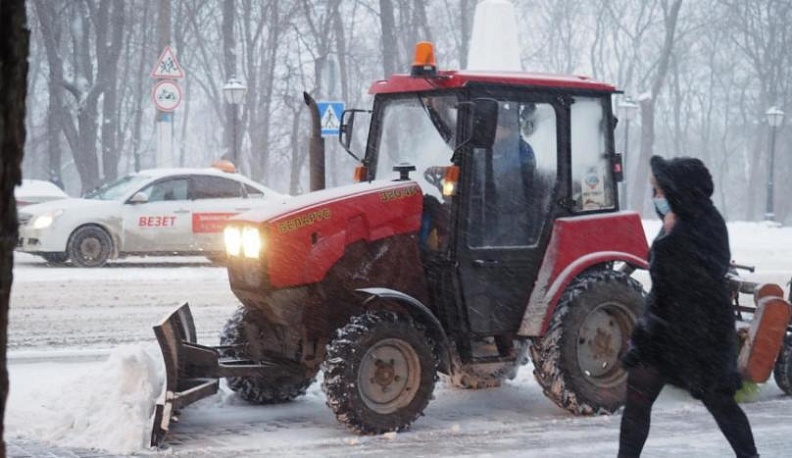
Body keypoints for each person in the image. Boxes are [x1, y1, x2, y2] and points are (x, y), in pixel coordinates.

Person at [618, 155, 758, 458]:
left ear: (679, 192)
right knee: (637, 399)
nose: (656, 199)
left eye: (660, 192)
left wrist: (672, 238)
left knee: (720, 403)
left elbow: (694, 277)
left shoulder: (707, 224)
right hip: (662, 334)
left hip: (700, 336)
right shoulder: (674, 223)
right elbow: (664, 281)